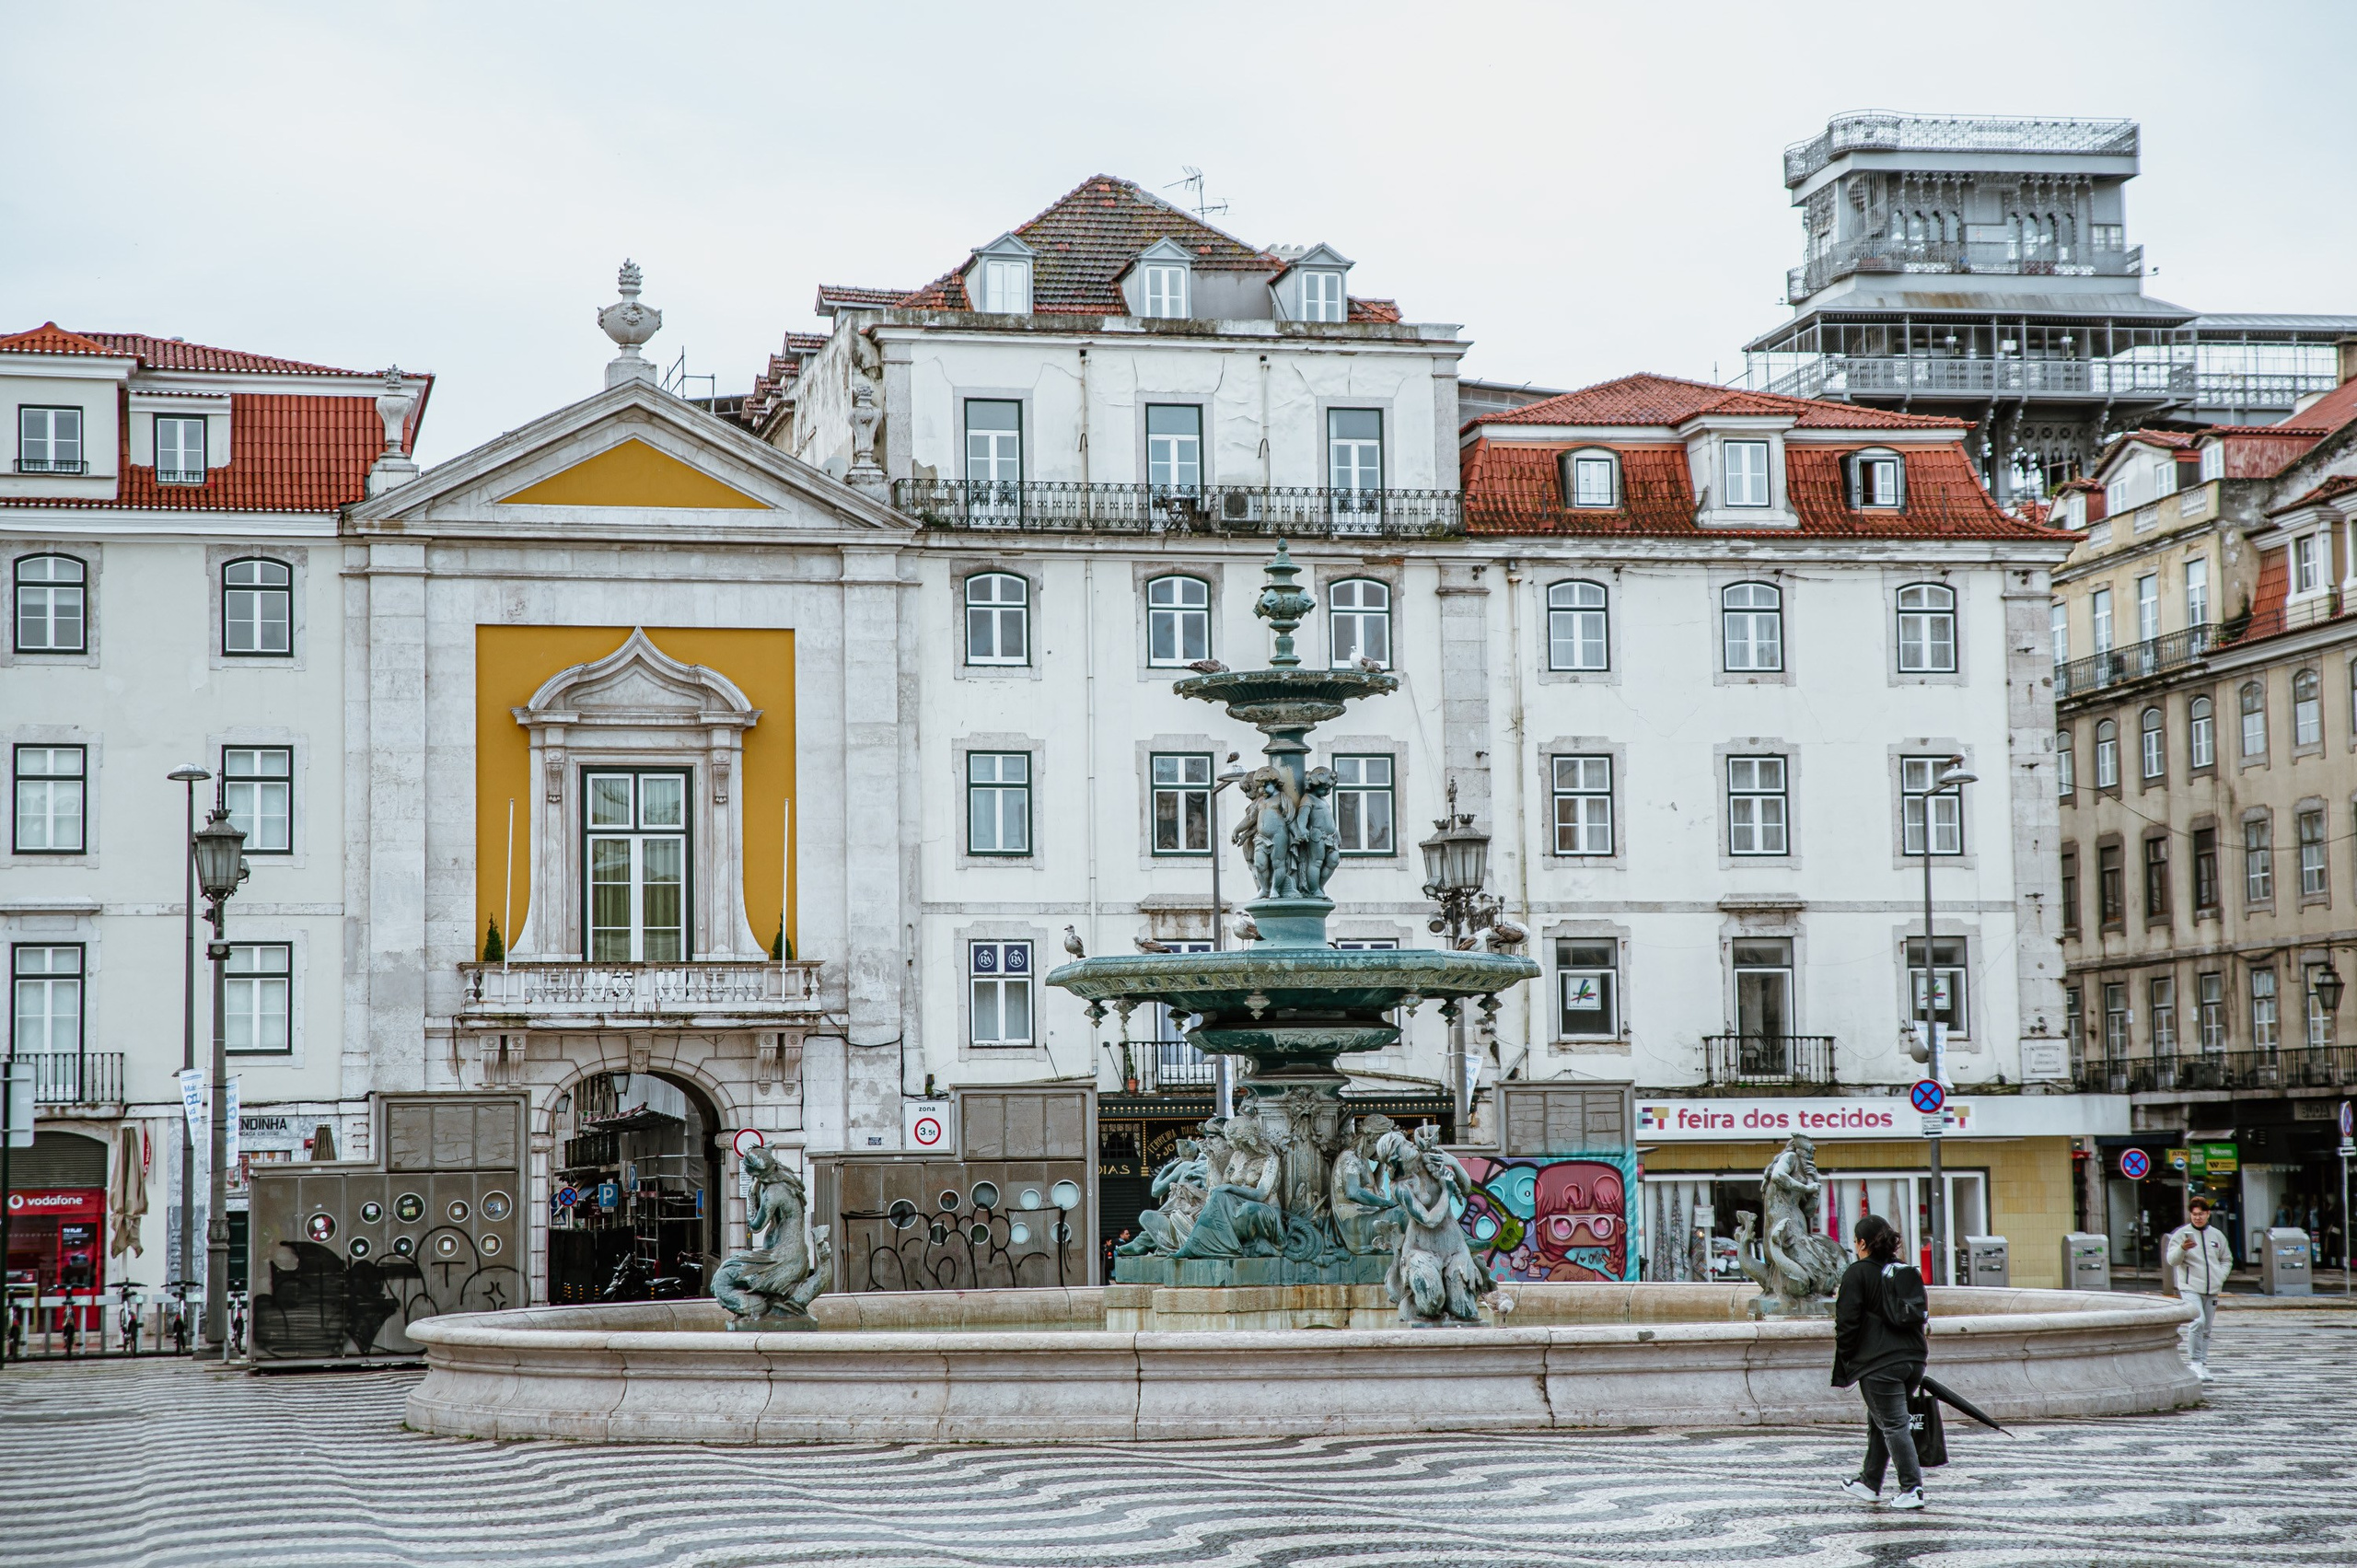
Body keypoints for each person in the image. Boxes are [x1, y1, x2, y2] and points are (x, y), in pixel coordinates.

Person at [1832, 1214, 1930, 1510]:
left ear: (1862, 1243)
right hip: (1914, 1359)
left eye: (1855, 1243)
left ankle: (1912, 1489)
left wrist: (1849, 1357)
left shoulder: (1857, 1273)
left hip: (1880, 1363)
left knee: (1893, 1424)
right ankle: (1869, 1482)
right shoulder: (1902, 1270)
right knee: (1883, 1420)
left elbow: (1846, 1323)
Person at [2164, 1194, 2233, 1380]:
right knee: (2197, 1322)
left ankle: (2202, 1364)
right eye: (2194, 1214)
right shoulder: (2181, 1235)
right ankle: (2195, 1362)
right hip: (2190, 1287)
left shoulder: (2217, 1235)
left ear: (2208, 1214)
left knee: (2206, 1329)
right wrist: (2183, 1248)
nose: (2198, 1217)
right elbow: (2172, 1260)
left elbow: (2226, 1259)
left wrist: (2220, 1276)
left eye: (2201, 1214)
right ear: (2190, 1215)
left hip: (2212, 1289)